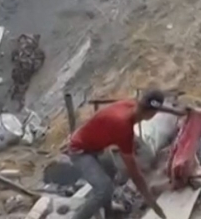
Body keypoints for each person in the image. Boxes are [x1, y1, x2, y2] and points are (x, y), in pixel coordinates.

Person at [66, 90, 187, 219]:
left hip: (94, 143)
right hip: (79, 150)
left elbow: (154, 107)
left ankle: (109, 212)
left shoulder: (132, 104)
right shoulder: (123, 128)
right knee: (104, 189)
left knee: (111, 173)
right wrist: (152, 202)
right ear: (151, 115)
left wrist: (176, 112)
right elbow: (134, 173)